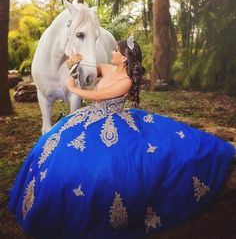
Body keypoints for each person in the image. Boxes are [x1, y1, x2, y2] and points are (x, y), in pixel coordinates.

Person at [8, 36, 235, 239]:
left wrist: (72, 88)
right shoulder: (106, 68)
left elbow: (97, 95)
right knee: (52, 147)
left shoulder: (126, 81)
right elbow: (85, 70)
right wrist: (73, 64)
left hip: (113, 121)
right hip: (88, 117)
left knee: (108, 165)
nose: (113, 53)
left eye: (117, 51)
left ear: (125, 58)